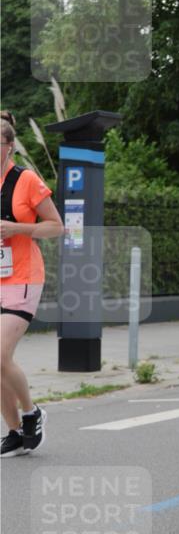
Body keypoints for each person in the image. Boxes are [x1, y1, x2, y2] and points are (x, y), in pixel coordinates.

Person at [1, 113, 64, 457]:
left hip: (23, 277)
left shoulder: (26, 181)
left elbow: (57, 227)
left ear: (9, 147)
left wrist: (19, 229)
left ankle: (31, 413)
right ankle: (13, 431)